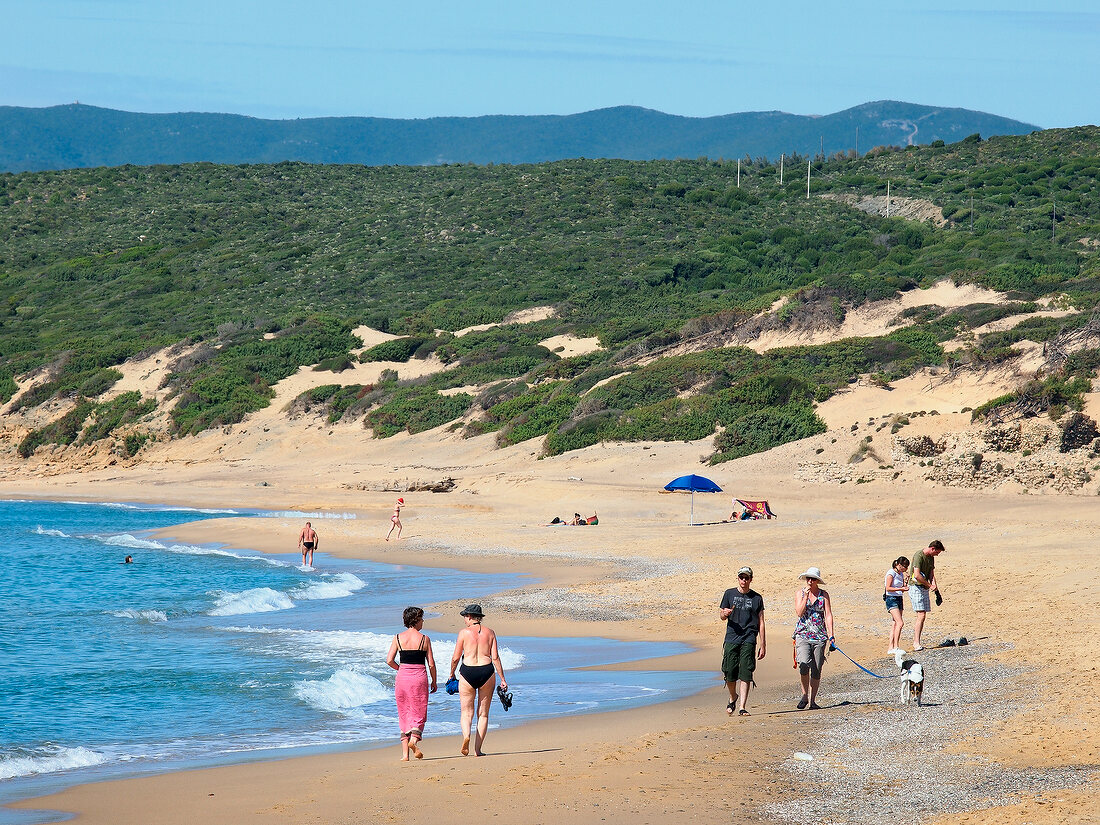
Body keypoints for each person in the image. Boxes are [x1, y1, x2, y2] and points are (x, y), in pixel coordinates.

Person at [448, 604, 507, 757]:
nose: (464, 620)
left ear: (469, 616)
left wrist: (451, 674)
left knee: (466, 712)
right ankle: (477, 750)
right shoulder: (490, 633)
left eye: (465, 617)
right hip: (486, 671)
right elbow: (495, 657)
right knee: (483, 714)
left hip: (467, 672)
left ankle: (466, 735)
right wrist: (502, 679)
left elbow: (455, 657)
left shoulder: (463, 633)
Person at [385, 606, 437, 761]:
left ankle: (405, 755)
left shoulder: (398, 638)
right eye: (421, 619)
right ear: (416, 620)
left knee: (404, 713)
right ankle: (414, 740)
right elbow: (431, 664)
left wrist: (400, 668)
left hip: (402, 678)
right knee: (419, 711)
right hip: (418, 677)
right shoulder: (424, 639)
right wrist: (434, 681)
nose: (423, 622)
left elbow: (389, 660)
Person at [718, 565, 766, 717]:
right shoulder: (729, 593)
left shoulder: (757, 598)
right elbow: (721, 615)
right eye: (741, 577)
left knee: (746, 672)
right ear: (738, 579)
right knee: (729, 672)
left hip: (749, 638)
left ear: (751, 579)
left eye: (746, 578)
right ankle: (733, 697)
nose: (744, 580)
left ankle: (742, 707)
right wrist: (725, 613)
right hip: (732, 637)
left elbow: (761, 621)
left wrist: (763, 644)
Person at [794, 567, 834, 710]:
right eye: (808, 579)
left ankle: (812, 701)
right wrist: (805, 597)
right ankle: (804, 695)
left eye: (813, 579)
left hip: (820, 636)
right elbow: (799, 612)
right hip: (803, 634)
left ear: (817, 581)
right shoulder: (800, 593)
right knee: (803, 663)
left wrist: (831, 635)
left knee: (816, 668)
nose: (810, 581)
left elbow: (828, 615)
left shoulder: (824, 595)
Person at [908, 540, 945, 651]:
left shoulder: (931, 558)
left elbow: (931, 575)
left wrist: (937, 592)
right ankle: (916, 643)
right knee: (921, 614)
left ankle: (917, 641)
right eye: (937, 552)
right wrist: (929, 585)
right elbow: (917, 575)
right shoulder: (919, 556)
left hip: (924, 587)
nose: (937, 555)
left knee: (923, 615)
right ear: (932, 548)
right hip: (916, 586)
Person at [884, 556, 910, 654]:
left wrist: (905, 582)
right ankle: (896, 647)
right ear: (899, 565)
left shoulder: (900, 574)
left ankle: (891, 647)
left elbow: (901, 588)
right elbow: (888, 588)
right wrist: (901, 589)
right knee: (900, 623)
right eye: (905, 567)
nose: (906, 569)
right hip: (891, 598)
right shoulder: (891, 573)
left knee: (895, 623)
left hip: (899, 598)